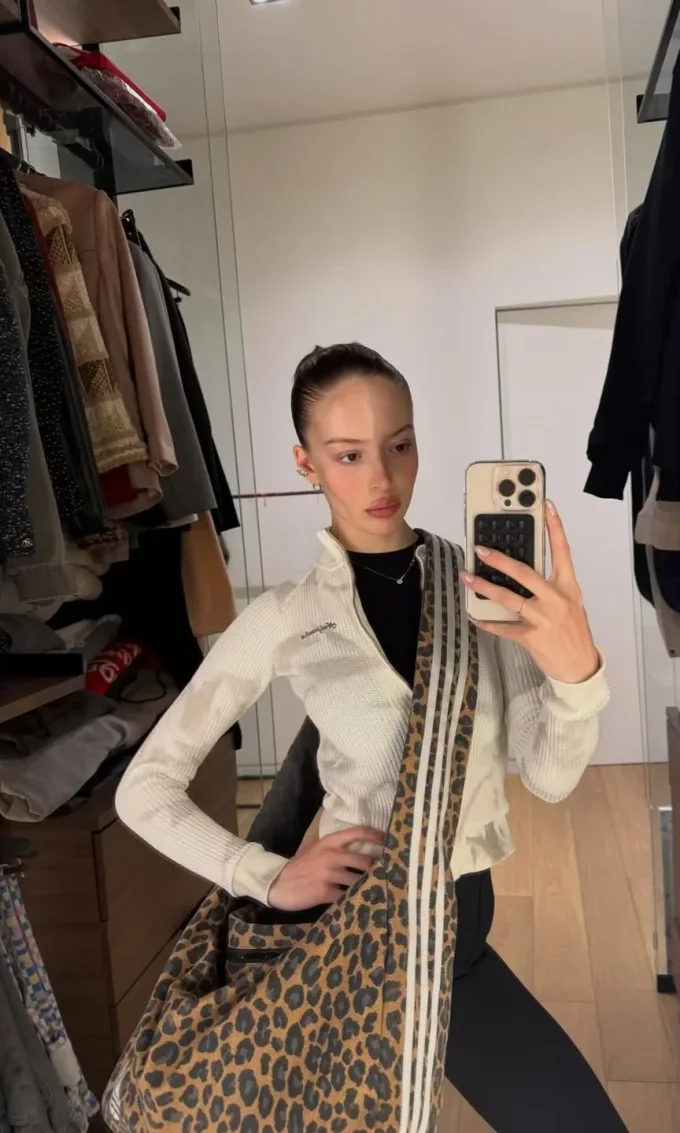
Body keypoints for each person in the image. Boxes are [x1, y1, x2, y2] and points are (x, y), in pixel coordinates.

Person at [115, 343, 627, 1132]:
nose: (381, 479)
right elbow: (143, 787)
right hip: (350, 933)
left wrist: (576, 673)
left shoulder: (482, 591)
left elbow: (550, 778)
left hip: (457, 927)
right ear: (306, 463)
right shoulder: (289, 615)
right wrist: (265, 875)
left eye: (399, 444)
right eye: (348, 454)